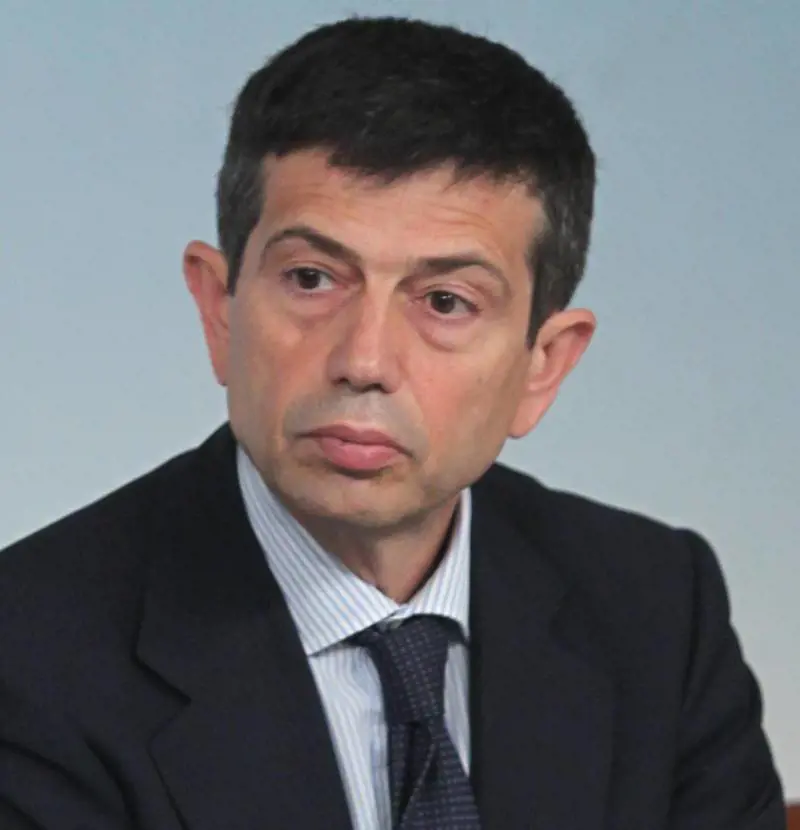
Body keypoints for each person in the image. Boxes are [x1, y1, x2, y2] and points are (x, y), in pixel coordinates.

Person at [0, 15, 785, 830]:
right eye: (311, 279)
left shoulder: (657, 609)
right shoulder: (28, 654)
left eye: (445, 301)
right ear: (219, 310)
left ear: (544, 364)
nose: (364, 360)